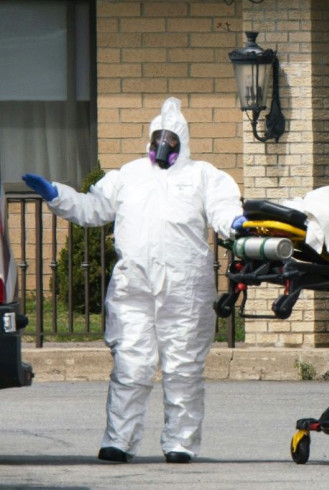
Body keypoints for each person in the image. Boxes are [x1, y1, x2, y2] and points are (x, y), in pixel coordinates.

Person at [22, 97, 244, 464]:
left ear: (182, 142)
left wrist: (234, 222)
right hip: (134, 286)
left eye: (172, 139)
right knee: (130, 365)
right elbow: (94, 209)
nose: (164, 145)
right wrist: (58, 194)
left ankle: (180, 443)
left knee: (183, 368)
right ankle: (119, 441)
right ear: (150, 138)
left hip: (184, 287)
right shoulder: (128, 176)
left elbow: (224, 207)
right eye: (160, 137)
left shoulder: (203, 176)